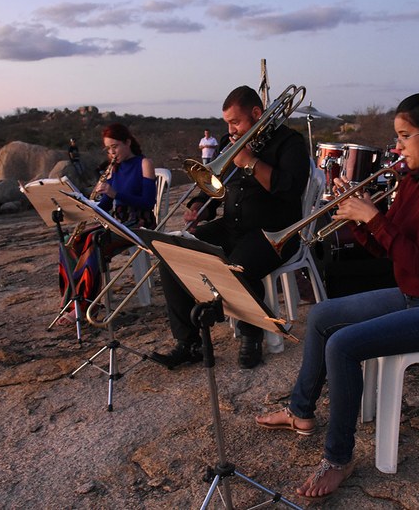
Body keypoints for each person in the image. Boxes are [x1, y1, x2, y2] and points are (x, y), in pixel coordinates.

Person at [255, 92, 419, 500]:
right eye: (397, 137)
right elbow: (385, 249)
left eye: (405, 136)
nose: (397, 146)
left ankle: (338, 459)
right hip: (416, 294)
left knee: (343, 345)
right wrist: (355, 217)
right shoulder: (412, 181)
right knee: (321, 315)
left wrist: (373, 218)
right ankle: (300, 411)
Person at [149, 85, 310, 370]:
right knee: (173, 254)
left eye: (235, 122)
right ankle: (189, 343)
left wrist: (251, 162)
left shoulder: (290, 142)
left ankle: (252, 335)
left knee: (237, 267)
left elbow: (290, 189)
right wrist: (200, 205)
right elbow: (218, 187)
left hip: (275, 233)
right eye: (227, 123)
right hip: (233, 226)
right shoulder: (230, 142)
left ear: (257, 114)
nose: (230, 129)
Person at [57, 123, 157, 325]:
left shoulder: (144, 163)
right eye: (108, 149)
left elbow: (148, 201)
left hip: (139, 223)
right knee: (70, 241)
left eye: (115, 147)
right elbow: (105, 205)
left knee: (94, 241)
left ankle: (86, 306)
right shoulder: (113, 169)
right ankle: (71, 301)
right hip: (118, 222)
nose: (112, 153)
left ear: (128, 142)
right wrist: (87, 204)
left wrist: (115, 192)